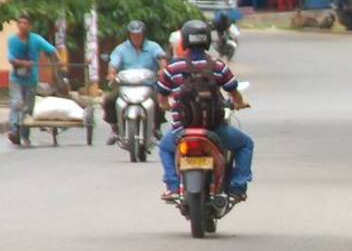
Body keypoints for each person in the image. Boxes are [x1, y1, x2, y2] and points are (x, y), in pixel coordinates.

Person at [157, 20, 254, 201]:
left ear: (184, 41)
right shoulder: (218, 66)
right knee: (245, 144)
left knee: (164, 148)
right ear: (208, 40)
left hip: (182, 130)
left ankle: (172, 186)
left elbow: (162, 97)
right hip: (214, 130)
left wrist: (166, 106)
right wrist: (239, 103)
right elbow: (234, 92)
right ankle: (237, 187)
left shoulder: (173, 68)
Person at [103, 20, 168, 143]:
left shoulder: (153, 47)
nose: (136, 37)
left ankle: (157, 128)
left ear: (144, 35)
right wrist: (111, 74)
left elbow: (161, 58)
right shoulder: (121, 49)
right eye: (133, 35)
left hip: (148, 86)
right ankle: (115, 129)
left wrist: (163, 69)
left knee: (159, 100)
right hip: (126, 86)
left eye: (139, 35)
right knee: (109, 100)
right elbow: (113, 64)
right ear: (129, 35)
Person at [6, 14, 61, 147]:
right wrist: (24, 63)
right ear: (18, 25)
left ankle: (24, 135)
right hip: (16, 78)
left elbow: (51, 50)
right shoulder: (12, 40)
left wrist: (56, 61)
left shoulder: (36, 39)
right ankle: (13, 130)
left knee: (28, 109)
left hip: (31, 79)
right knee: (17, 102)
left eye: (25, 23)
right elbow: (11, 58)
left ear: (29, 26)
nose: (23, 26)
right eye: (20, 23)